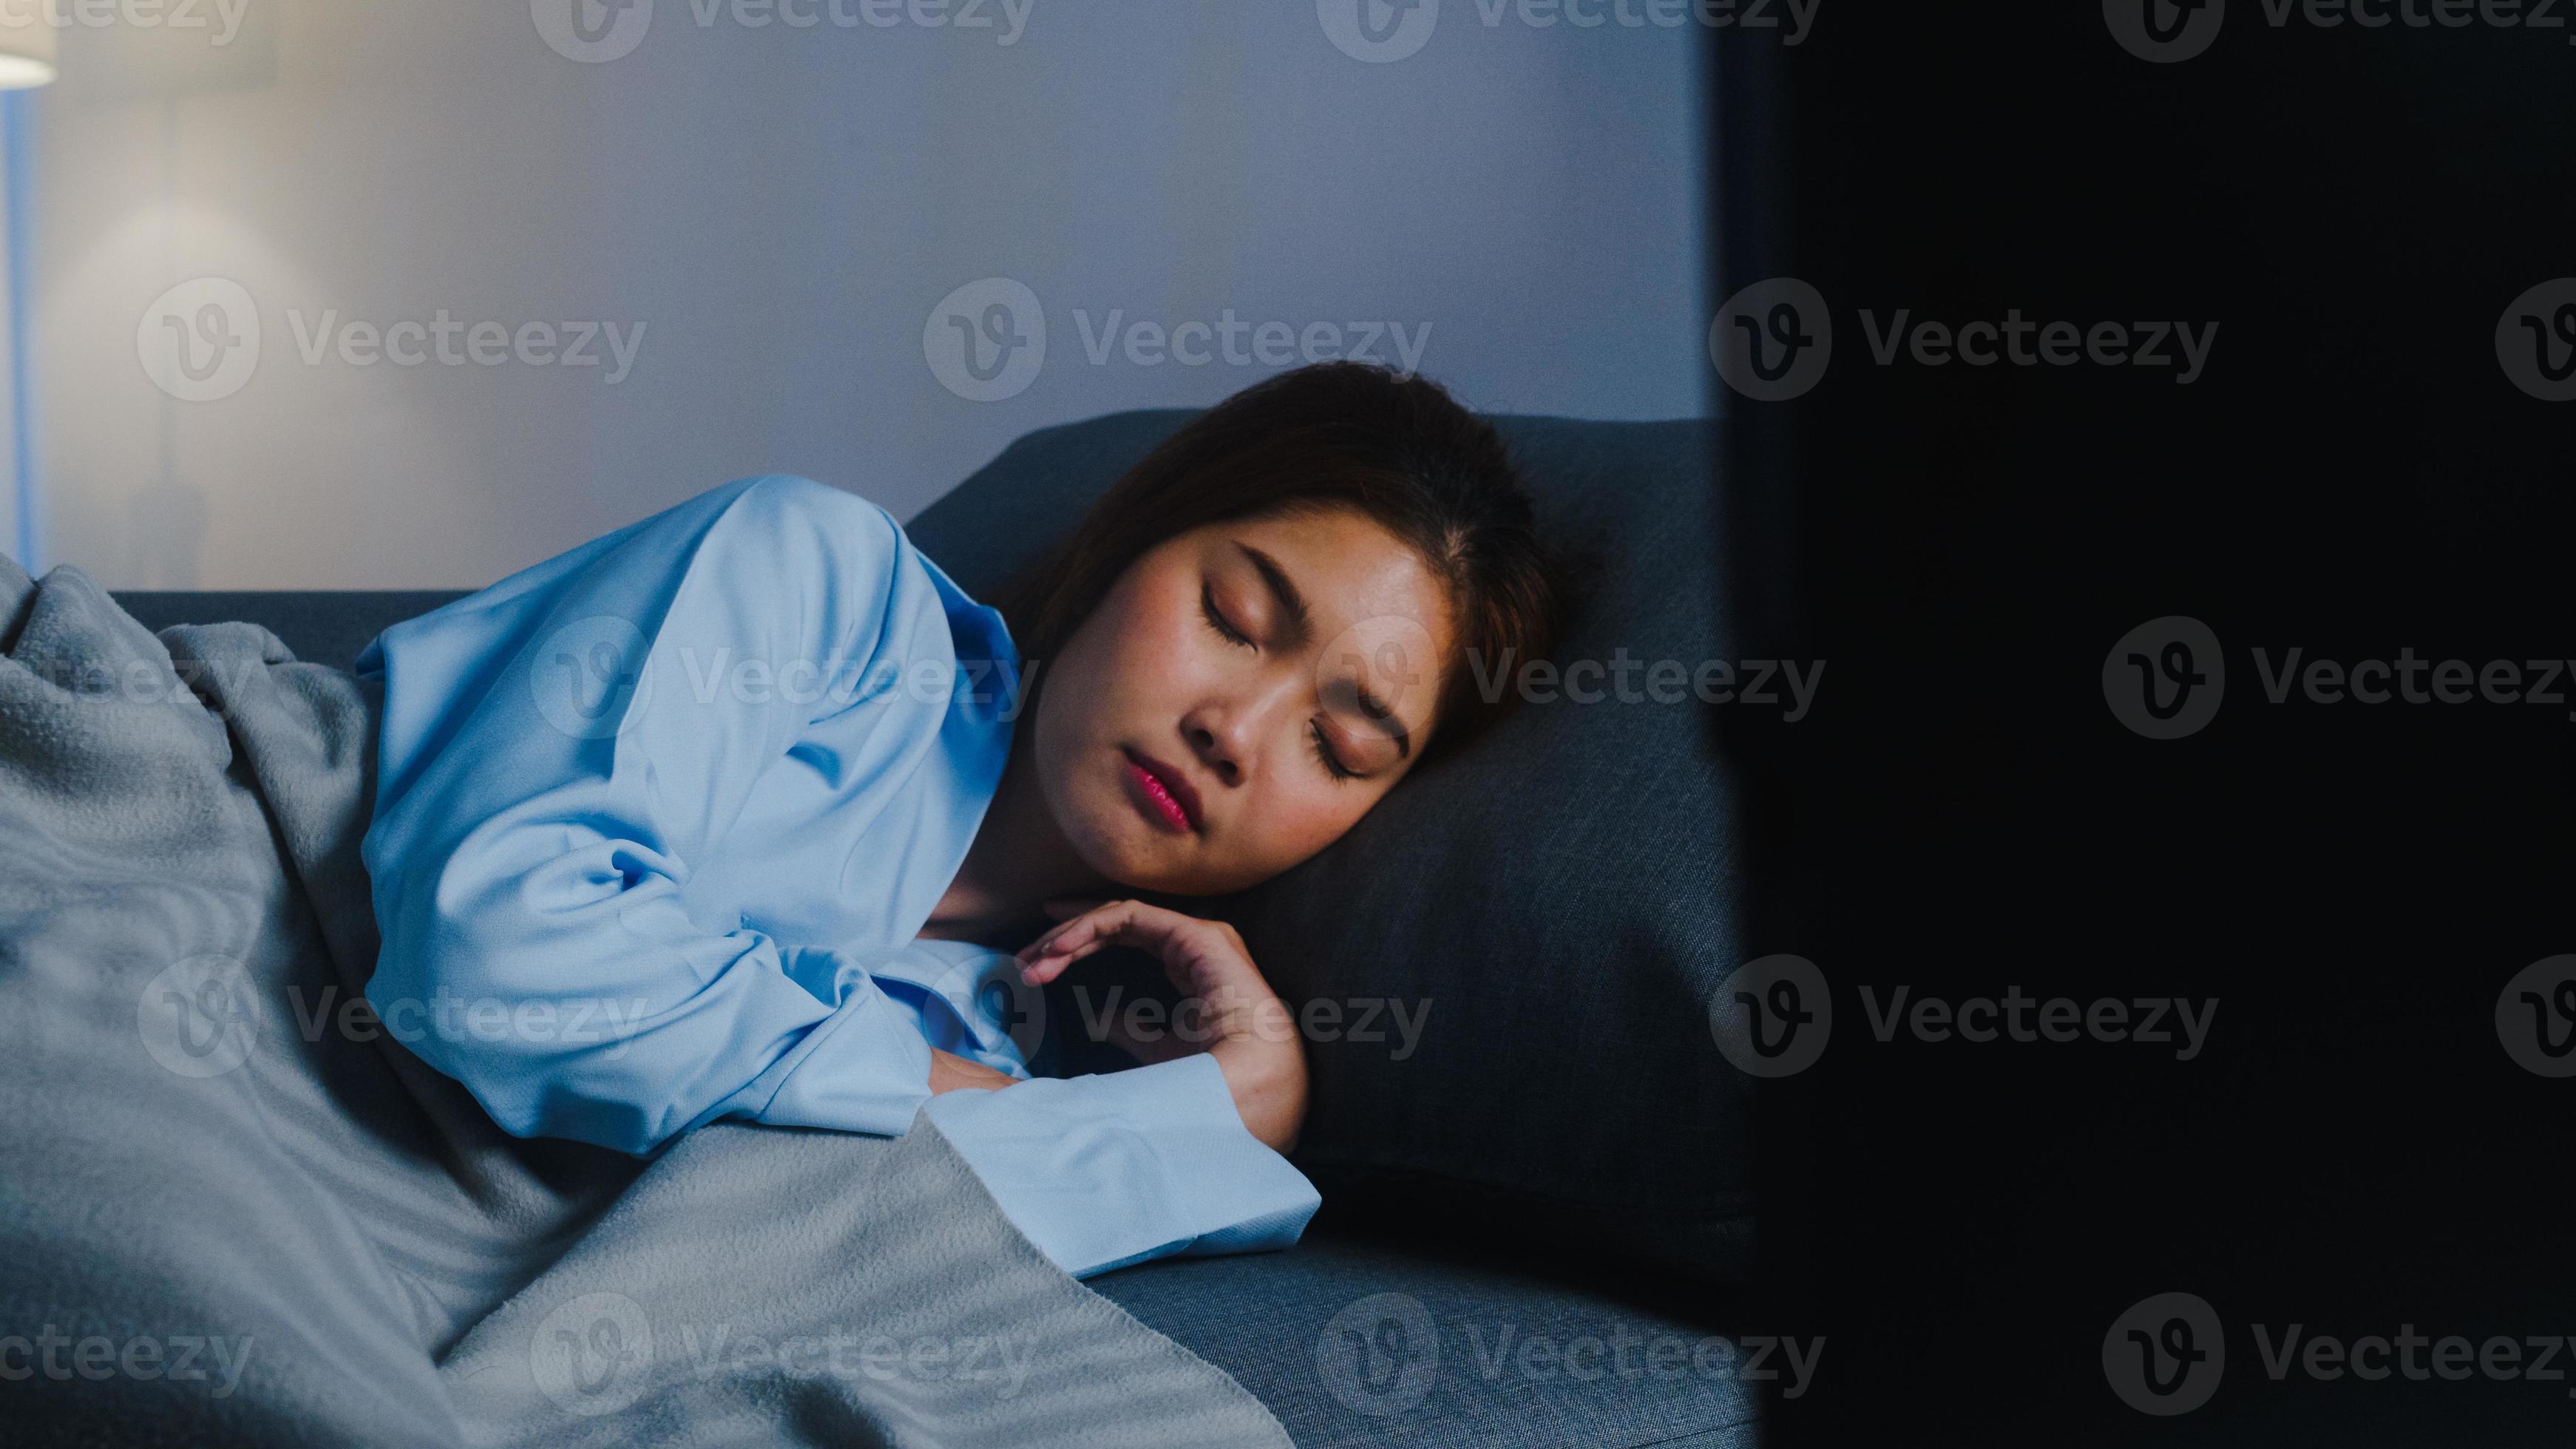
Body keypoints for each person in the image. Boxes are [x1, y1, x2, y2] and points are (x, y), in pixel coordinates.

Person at [356, 362, 1575, 1280]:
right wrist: (974, 1101)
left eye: (1337, 744)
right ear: (1130, 542)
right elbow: (495, 951)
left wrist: (1242, 1109)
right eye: (1234, 614)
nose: (1236, 731)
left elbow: (795, 1269)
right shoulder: (820, 585)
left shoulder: (1000, 1045)